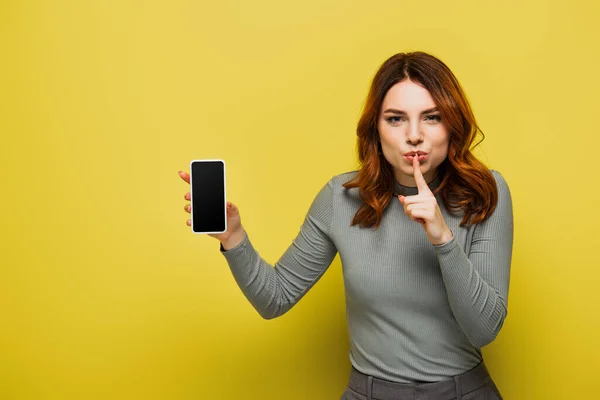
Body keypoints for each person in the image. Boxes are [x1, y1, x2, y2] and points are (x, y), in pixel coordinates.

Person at [178, 51, 512, 400]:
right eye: (396, 119)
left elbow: (484, 330)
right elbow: (274, 299)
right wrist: (233, 237)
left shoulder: (486, 192)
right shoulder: (341, 197)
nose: (414, 136)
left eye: (431, 117)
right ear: (376, 130)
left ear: (453, 124)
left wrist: (442, 237)